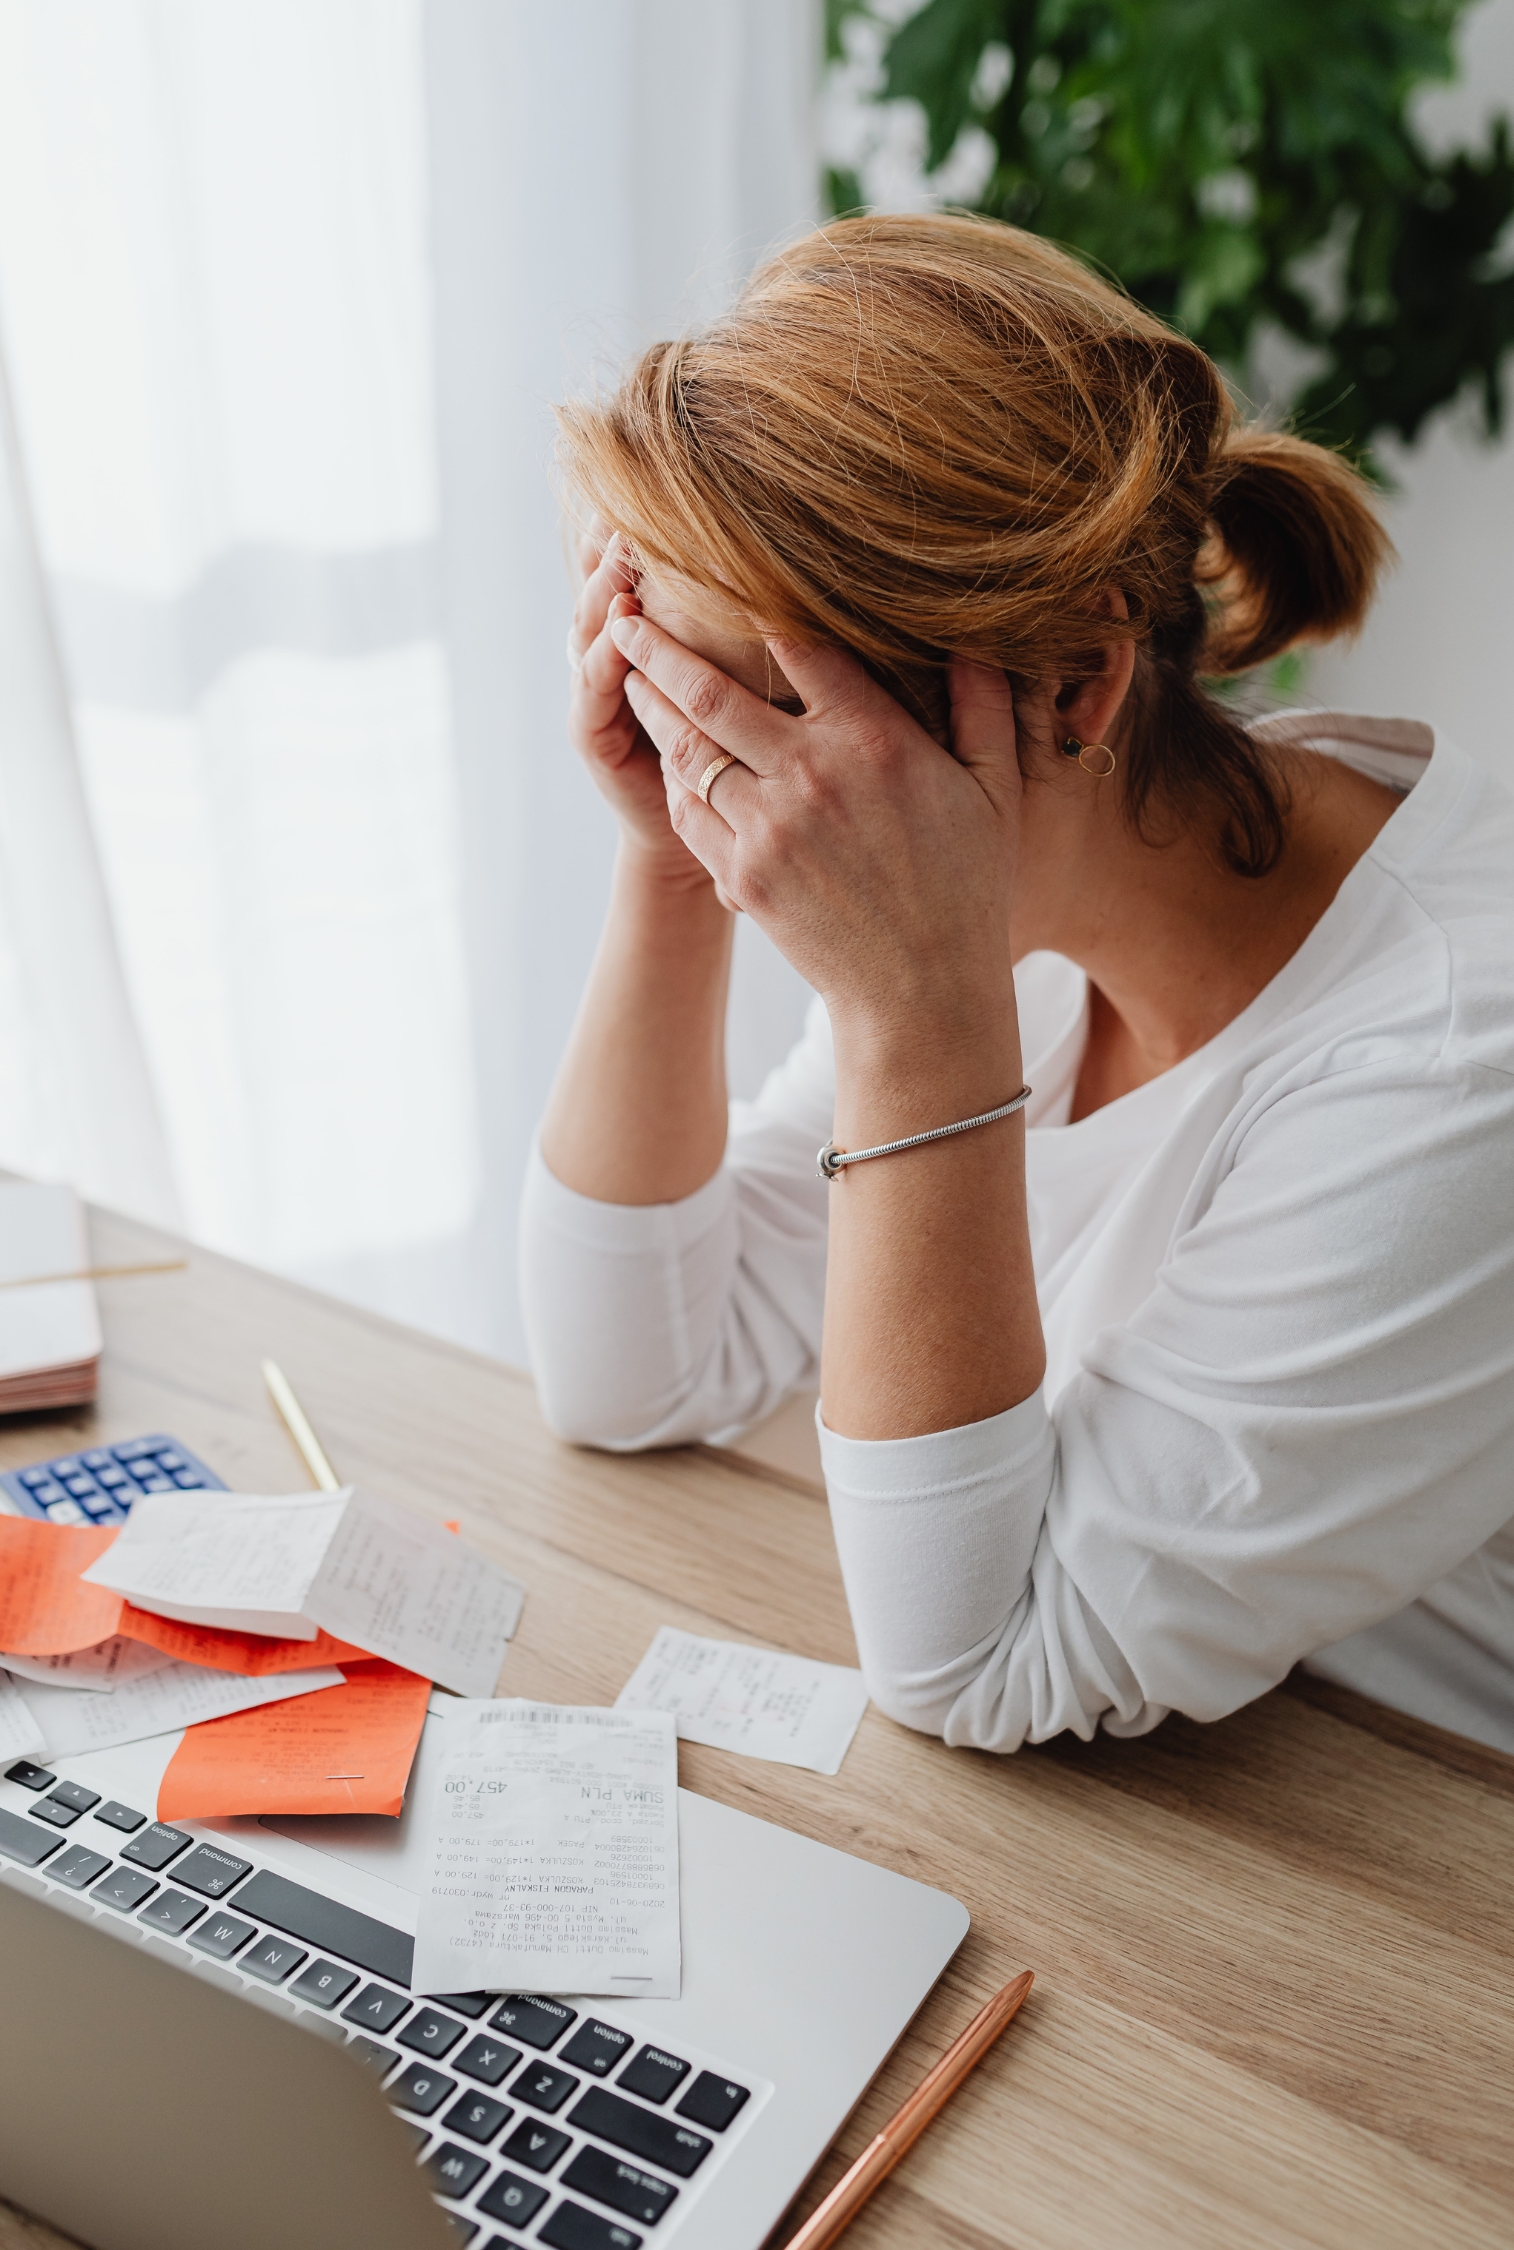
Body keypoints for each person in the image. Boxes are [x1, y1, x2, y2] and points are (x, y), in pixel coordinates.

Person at [519, 213, 1514, 1757]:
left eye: (762, 725)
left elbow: (972, 1659)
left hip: (1410, 1846)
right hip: (1210, 1788)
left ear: (1076, 686)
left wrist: (913, 1022)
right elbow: (633, 1370)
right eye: (675, 704)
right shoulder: (1027, 891)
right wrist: (666, 859)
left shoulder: (1454, 1048)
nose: (739, 808)